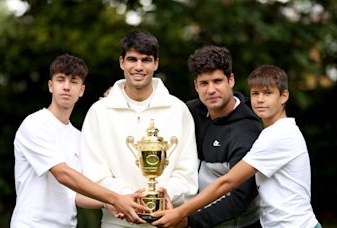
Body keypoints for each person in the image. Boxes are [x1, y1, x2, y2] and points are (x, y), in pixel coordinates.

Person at [152, 64, 321, 228]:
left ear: (284, 96)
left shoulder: (279, 135)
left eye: (268, 93)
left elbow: (228, 182)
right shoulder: (273, 131)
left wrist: (181, 213)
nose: (260, 100)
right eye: (255, 94)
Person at [10, 54, 148, 228]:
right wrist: (116, 198)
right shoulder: (35, 124)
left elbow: (75, 194)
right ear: (51, 86)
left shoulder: (78, 136)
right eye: (61, 80)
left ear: (81, 90)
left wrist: (109, 203)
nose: (67, 87)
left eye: (74, 81)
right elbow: (64, 174)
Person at [80, 30, 199, 227]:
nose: (138, 67)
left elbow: (186, 173)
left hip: (166, 220)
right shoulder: (99, 112)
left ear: (156, 63)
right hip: (116, 222)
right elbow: (93, 172)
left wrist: (164, 193)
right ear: (121, 62)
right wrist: (126, 197)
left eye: (146, 60)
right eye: (132, 59)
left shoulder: (178, 110)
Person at [182, 45, 263, 227]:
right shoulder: (190, 111)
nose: (211, 90)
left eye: (217, 81)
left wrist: (188, 221)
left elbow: (240, 198)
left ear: (231, 80)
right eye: (204, 83)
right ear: (196, 85)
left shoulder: (248, 130)